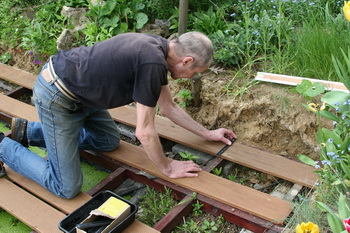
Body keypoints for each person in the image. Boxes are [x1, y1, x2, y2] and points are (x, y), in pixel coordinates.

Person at [0, 31, 236, 199]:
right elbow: (144, 132)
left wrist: (208, 133)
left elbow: (169, 107)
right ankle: (3, 146)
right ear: (187, 60)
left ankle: (27, 132)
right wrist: (168, 168)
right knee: (66, 187)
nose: (190, 77)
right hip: (58, 97)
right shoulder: (152, 63)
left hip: (84, 94)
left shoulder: (158, 48)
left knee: (108, 142)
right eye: (194, 72)